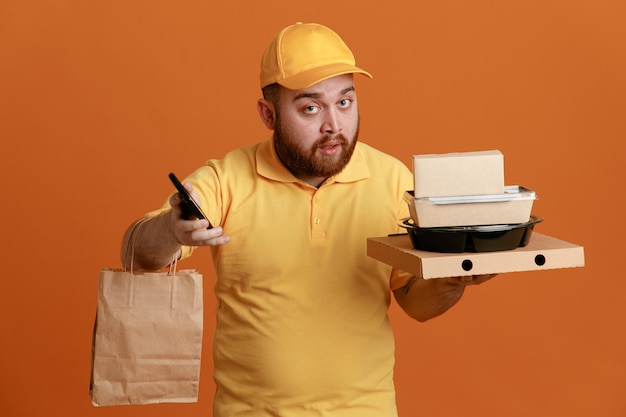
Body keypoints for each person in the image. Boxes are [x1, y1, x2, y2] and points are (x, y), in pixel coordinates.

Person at [122, 22, 494, 417]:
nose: (333, 125)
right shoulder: (225, 179)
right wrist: (170, 230)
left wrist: (454, 279)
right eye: (311, 107)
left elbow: (417, 304)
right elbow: (138, 253)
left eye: (345, 102)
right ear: (269, 114)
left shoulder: (393, 181)